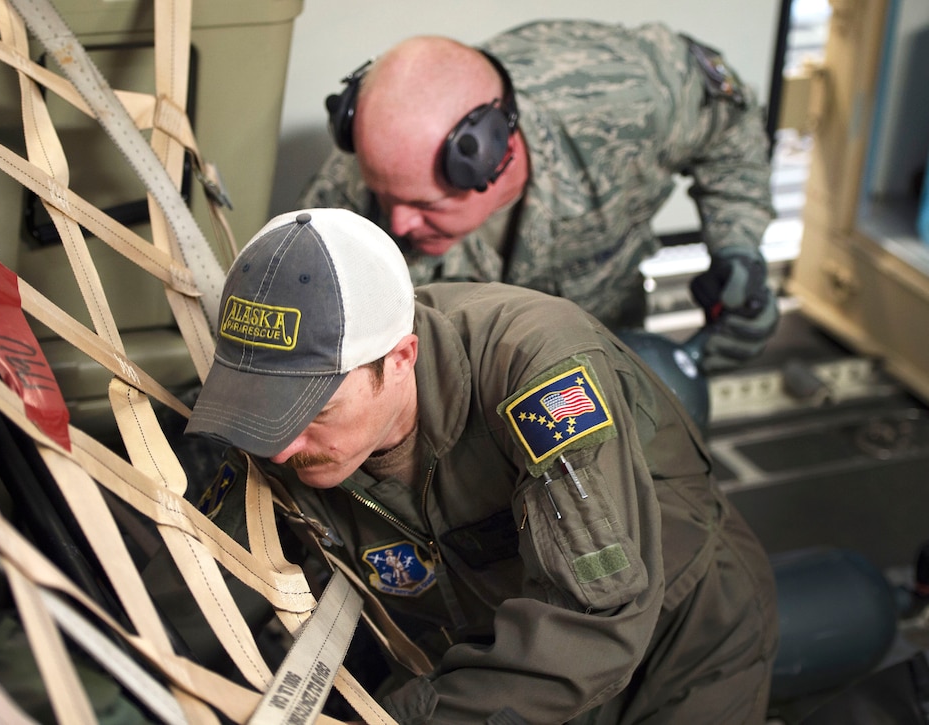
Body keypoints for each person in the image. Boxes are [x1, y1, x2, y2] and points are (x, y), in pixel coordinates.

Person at [186, 208, 779, 724]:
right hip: (492, 649)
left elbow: (596, 621)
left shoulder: (537, 370)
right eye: (263, 412)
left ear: (400, 359)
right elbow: (205, 578)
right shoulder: (299, 409)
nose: (281, 449)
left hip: (680, 638)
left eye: (312, 412)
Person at [298, 19, 780, 373]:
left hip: (602, 342)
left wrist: (736, 246)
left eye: (426, 205)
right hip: (447, 388)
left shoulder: (632, 102)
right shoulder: (352, 187)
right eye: (388, 196)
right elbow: (305, 325)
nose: (398, 224)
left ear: (495, 156)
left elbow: (731, 131)